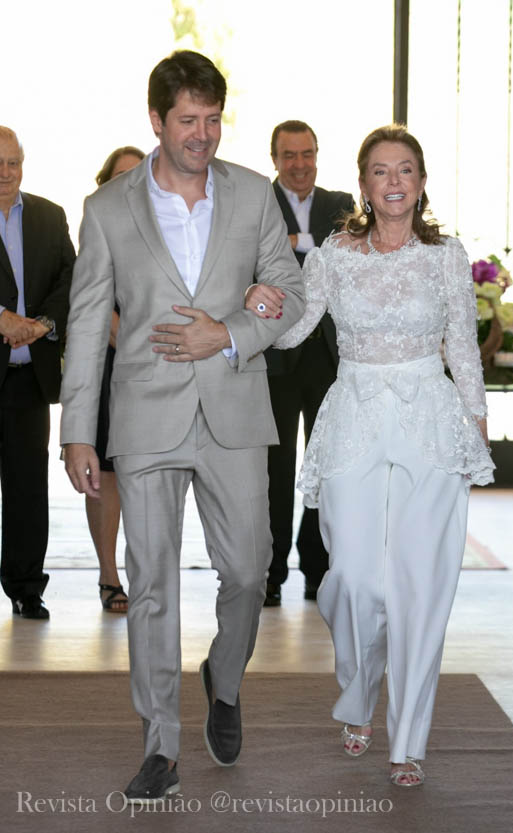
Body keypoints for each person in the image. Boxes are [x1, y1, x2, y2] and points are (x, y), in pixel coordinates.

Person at [60, 51, 304, 803]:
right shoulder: (107, 209)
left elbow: (290, 293)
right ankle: (160, 746)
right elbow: (87, 320)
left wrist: (227, 333)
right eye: (188, 120)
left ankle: (223, 679)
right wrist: (76, 430)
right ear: (157, 121)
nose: (203, 134)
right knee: (152, 584)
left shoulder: (256, 195)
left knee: (249, 570)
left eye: (213, 119)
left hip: (235, 409)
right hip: (145, 416)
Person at [247, 125, 495, 786]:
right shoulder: (335, 253)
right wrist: (260, 306)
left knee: (420, 585)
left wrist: (476, 421)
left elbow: (462, 346)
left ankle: (407, 740)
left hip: (429, 423)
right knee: (355, 579)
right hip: (354, 417)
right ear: (362, 183)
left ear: (421, 181)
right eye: (380, 170)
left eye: (405, 169)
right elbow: (296, 329)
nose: (393, 181)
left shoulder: (446, 256)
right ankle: (358, 691)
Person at [263, 120, 354, 606]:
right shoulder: (259, 202)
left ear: (317, 155)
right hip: (274, 357)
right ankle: (270, 571)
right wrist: (311, 242)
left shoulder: (340, 204)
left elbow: (345, 257)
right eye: (289, 155)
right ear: (274, 159)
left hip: (327, 357)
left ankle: (317, 568)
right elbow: (255, 258)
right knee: (273, 471)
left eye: (307, 154)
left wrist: (296, 241)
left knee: (325, 468)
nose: (299, 165)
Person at [0, 126, 75, 620]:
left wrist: (42, 324)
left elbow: (72, 278)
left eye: (13, 163)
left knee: (28, 488)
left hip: (29, 379)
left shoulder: (50, 216)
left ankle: (26, 587)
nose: (5, 173)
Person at [89, 146, 145, 613]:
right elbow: (92, 303)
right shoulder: (97, 228)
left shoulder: (167, 228)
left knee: (146, 473)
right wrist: (141, 343)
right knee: (107, 475)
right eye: (120, 176)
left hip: (159, 366)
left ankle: (148, 573)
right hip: (110, 365)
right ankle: (109, 575)